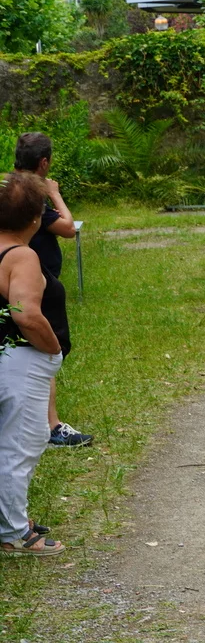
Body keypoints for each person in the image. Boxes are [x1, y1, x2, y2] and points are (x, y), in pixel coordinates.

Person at [0, 170, 69, 556]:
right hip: (20, 362)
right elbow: (25, 314)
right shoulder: (22, 255)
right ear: (34, 219)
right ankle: (13, 534)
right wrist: (52, 347)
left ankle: (9, 520)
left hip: (4, 358)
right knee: (21, 445)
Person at [12, 132, 92, 447]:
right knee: (43, 349)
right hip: (32, 280)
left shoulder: (9, 185)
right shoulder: (31, 193)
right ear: (44, 162)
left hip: (16, 276)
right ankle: (51, 426)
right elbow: (68, 228)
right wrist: (55, 195)